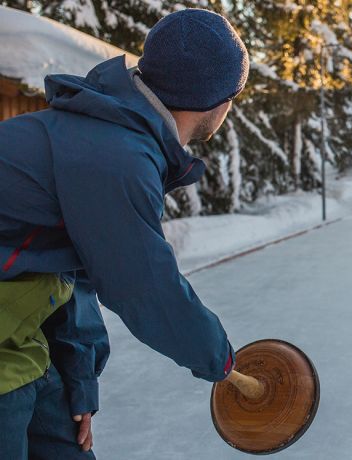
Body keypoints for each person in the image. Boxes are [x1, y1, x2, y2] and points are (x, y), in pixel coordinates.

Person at [0, 8, 249, 459]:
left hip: (19, 330)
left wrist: (80, 381)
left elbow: (76, 274)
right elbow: (142, 285)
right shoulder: (117, 155)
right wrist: (221, 359)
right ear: (218, 100)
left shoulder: (111, 134)